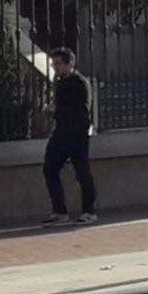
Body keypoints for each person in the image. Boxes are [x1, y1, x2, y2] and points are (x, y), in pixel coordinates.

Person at [41, 49, 97, 226]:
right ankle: (59, 211)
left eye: (58, 64)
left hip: (76, 135)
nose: (55, 68)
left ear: (69, 64)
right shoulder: (60, 83)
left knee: (82, 173)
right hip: (60, 134)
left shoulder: (80, 83)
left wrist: (56, 111)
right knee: (49, 168)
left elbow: (81, 111)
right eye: (53, 64)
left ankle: (89, 211)